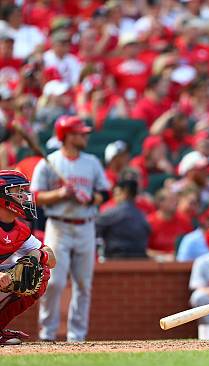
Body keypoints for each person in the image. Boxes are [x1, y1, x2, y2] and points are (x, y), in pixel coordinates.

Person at [31, 115, 110, 342]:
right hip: (58, 225)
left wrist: (90, 198)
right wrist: (61, 194)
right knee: (54, 281)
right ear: (66, 136)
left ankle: (77, 336)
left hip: (86, 225)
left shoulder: (92, 162)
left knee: (83, 283)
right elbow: (34, 197)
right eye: (79, 133)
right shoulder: (50, 161)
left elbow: (105, 193)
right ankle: (47, 333)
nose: (84, 136)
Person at [0, 170, 56, 345]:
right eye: (18, 191)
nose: (24, 196)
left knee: (39, 272)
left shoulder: (21, 230)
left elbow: (52, 259)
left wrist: (38, 254)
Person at [95, 174, 150, 259]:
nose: (114, 198)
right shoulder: (142, 215)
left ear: (125, 193)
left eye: (117, 194)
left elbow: (93, 228)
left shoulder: (112, 213)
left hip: (116, 261)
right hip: (141, 261)